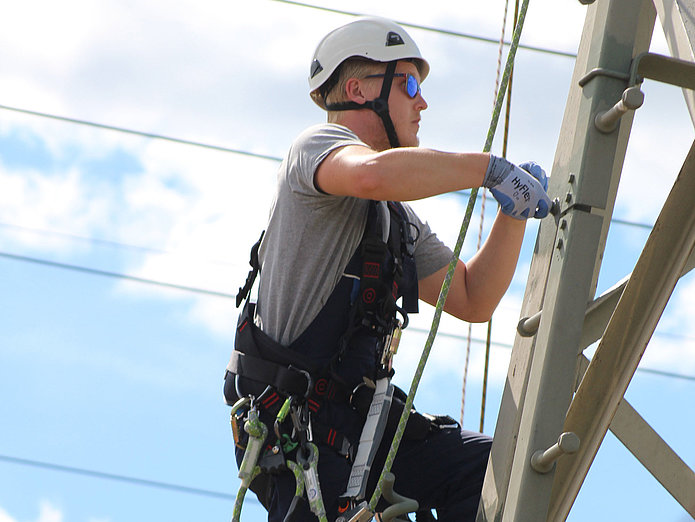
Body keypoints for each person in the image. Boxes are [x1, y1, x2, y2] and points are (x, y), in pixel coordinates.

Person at [225, 16, 552, 522]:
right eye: (409, 83)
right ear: (357, 89)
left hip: (365, 428)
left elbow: (471, 297)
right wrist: (486, 169)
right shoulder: (312, 151)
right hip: (302, 440)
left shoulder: (394, 222)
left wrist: (512, 217)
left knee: (493, 469)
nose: (422, 103)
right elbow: (375, 174)